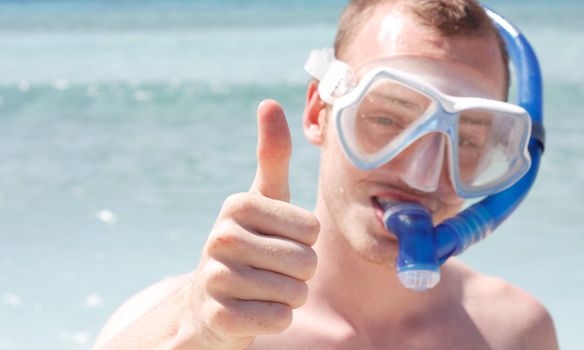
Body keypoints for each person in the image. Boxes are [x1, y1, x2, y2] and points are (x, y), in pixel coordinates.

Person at [94, 0, 559, 349]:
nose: (422, 176)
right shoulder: (196, 323)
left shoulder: (515, 333)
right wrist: (192, 329)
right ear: (319, 113)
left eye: (468, 138)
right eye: (387, 119)